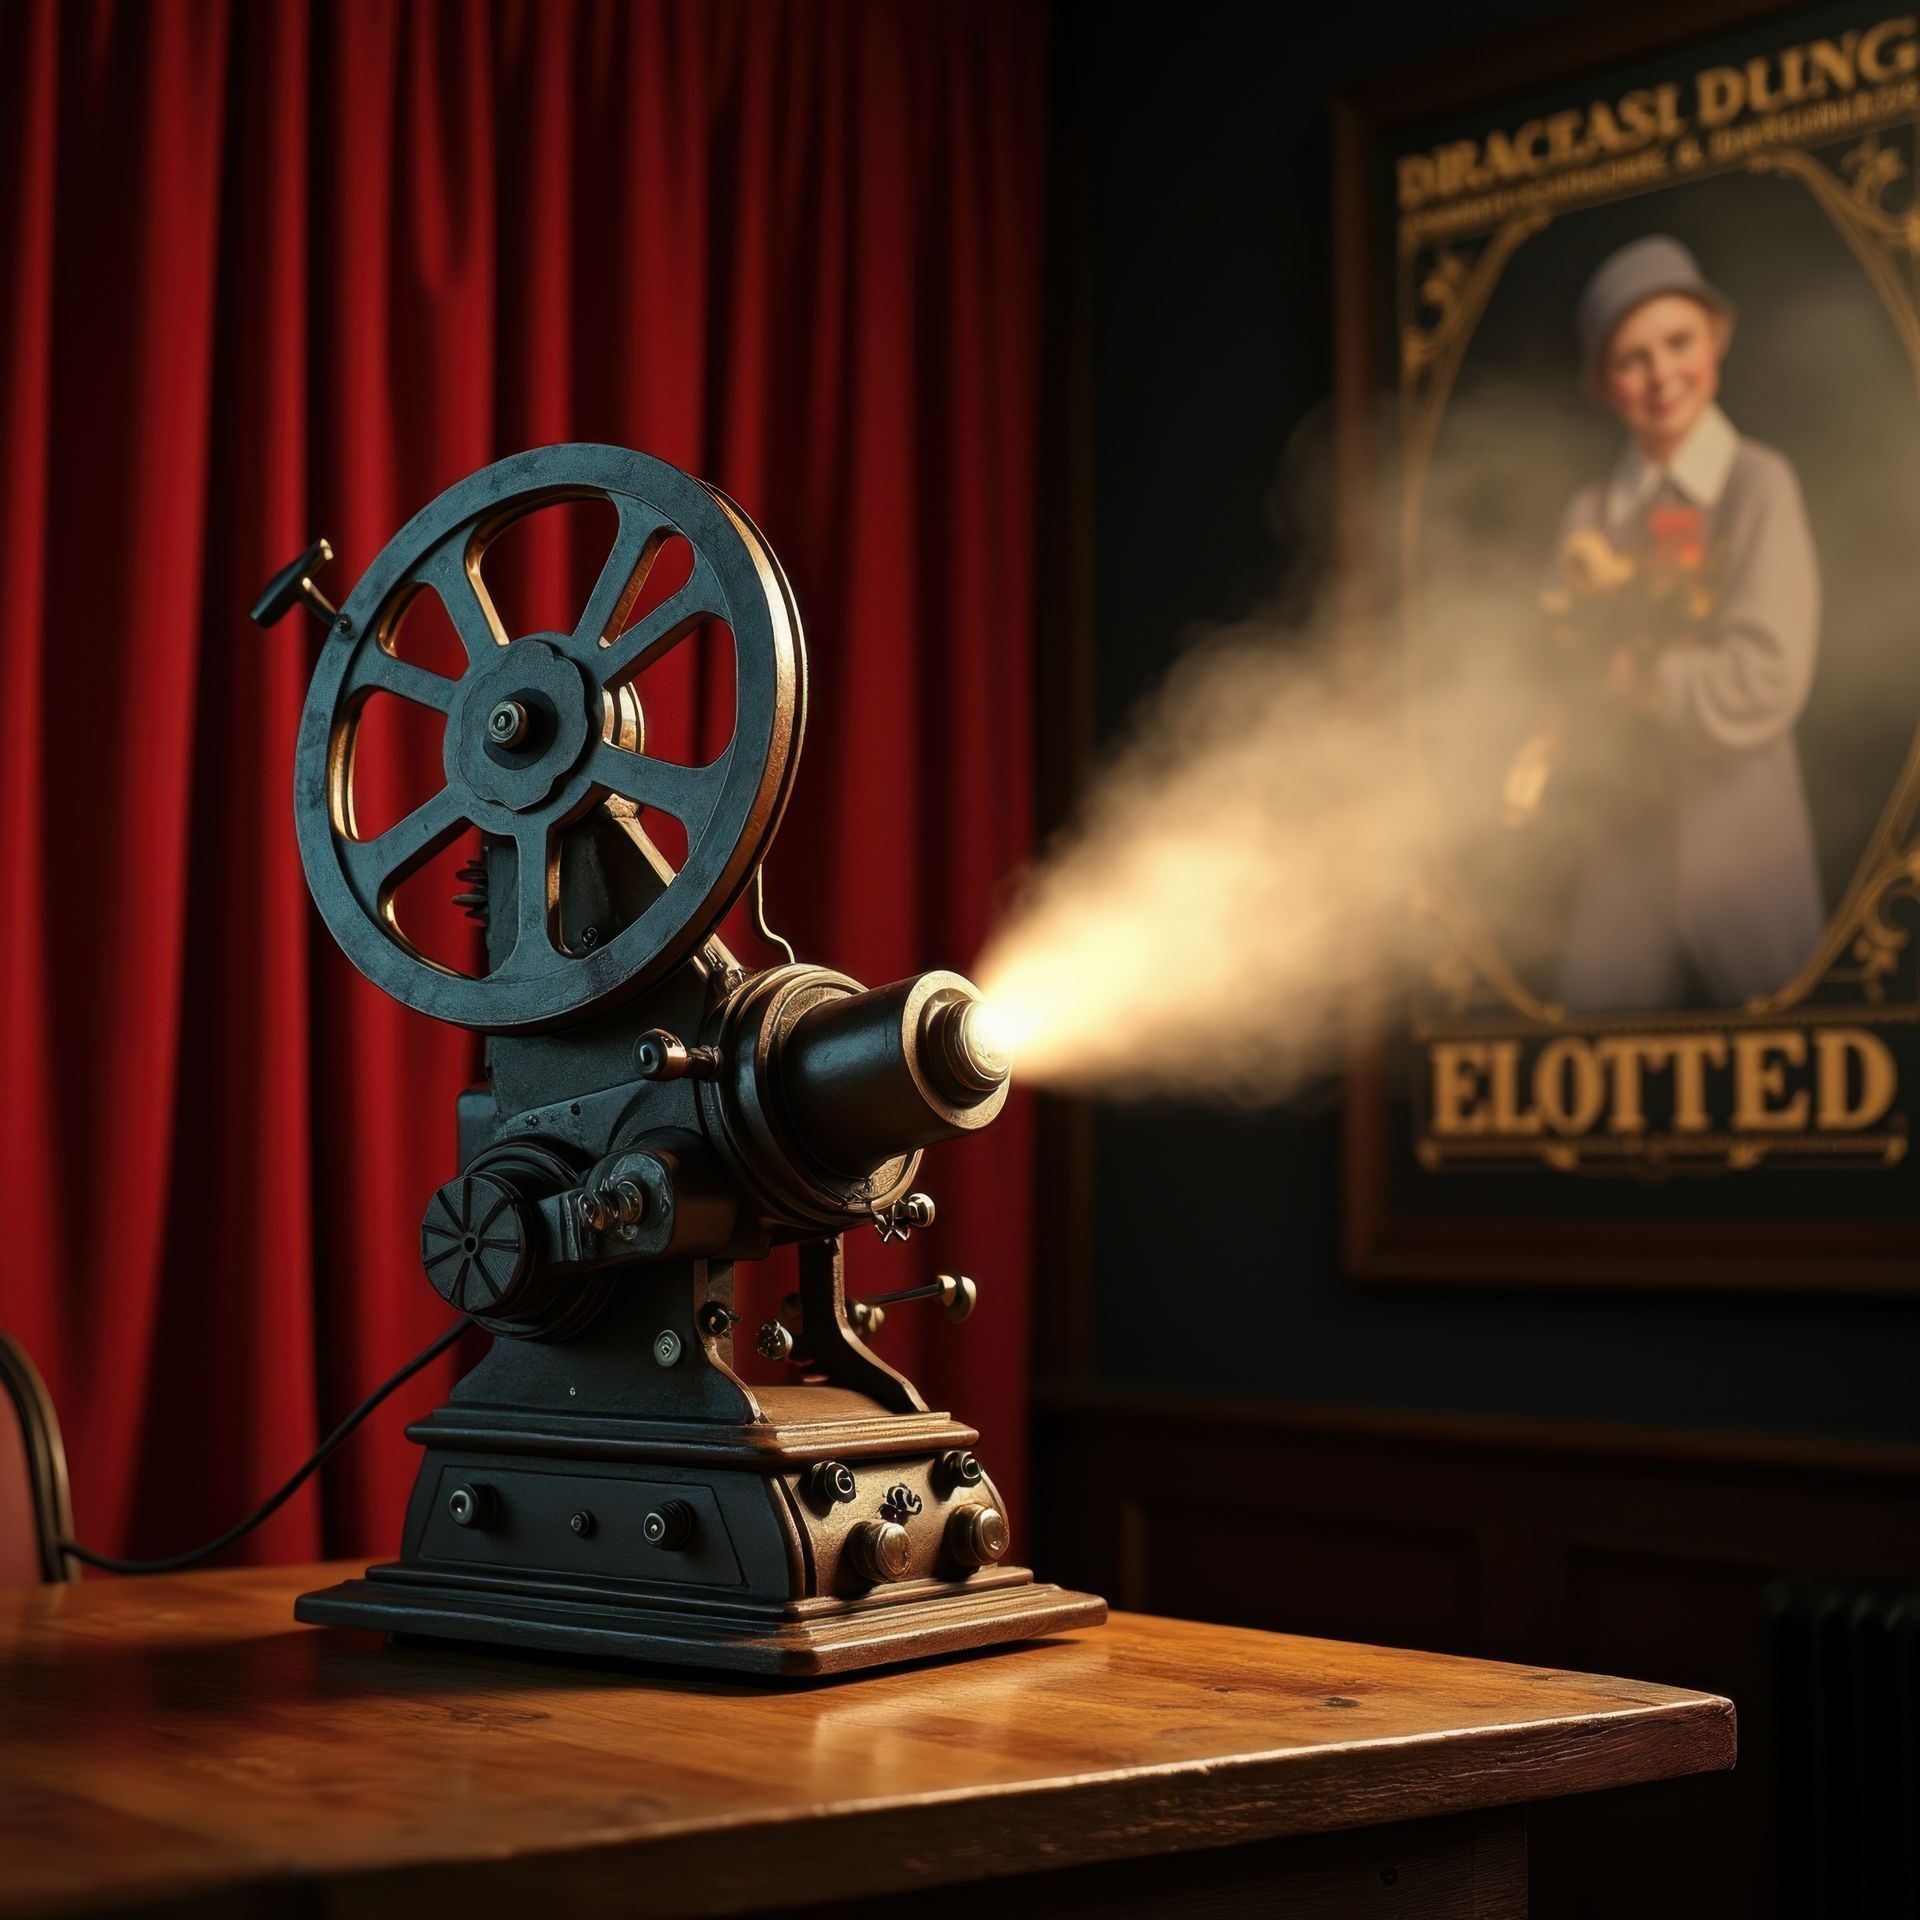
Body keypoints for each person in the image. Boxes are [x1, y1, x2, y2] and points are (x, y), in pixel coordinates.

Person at [1546, 234, 1826, 1011]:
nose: (1662, 374)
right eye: (1632, 359)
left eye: (1678, 343)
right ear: (1604, 385)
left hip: (1746, 838)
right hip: (1624, 841)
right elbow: (1554, 664)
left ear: (1717, 341)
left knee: (1785, 1059)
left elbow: (1768, 671)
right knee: (1601, 1060)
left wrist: (1643, 684)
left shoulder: (1759, 484)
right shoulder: (1588, 515)